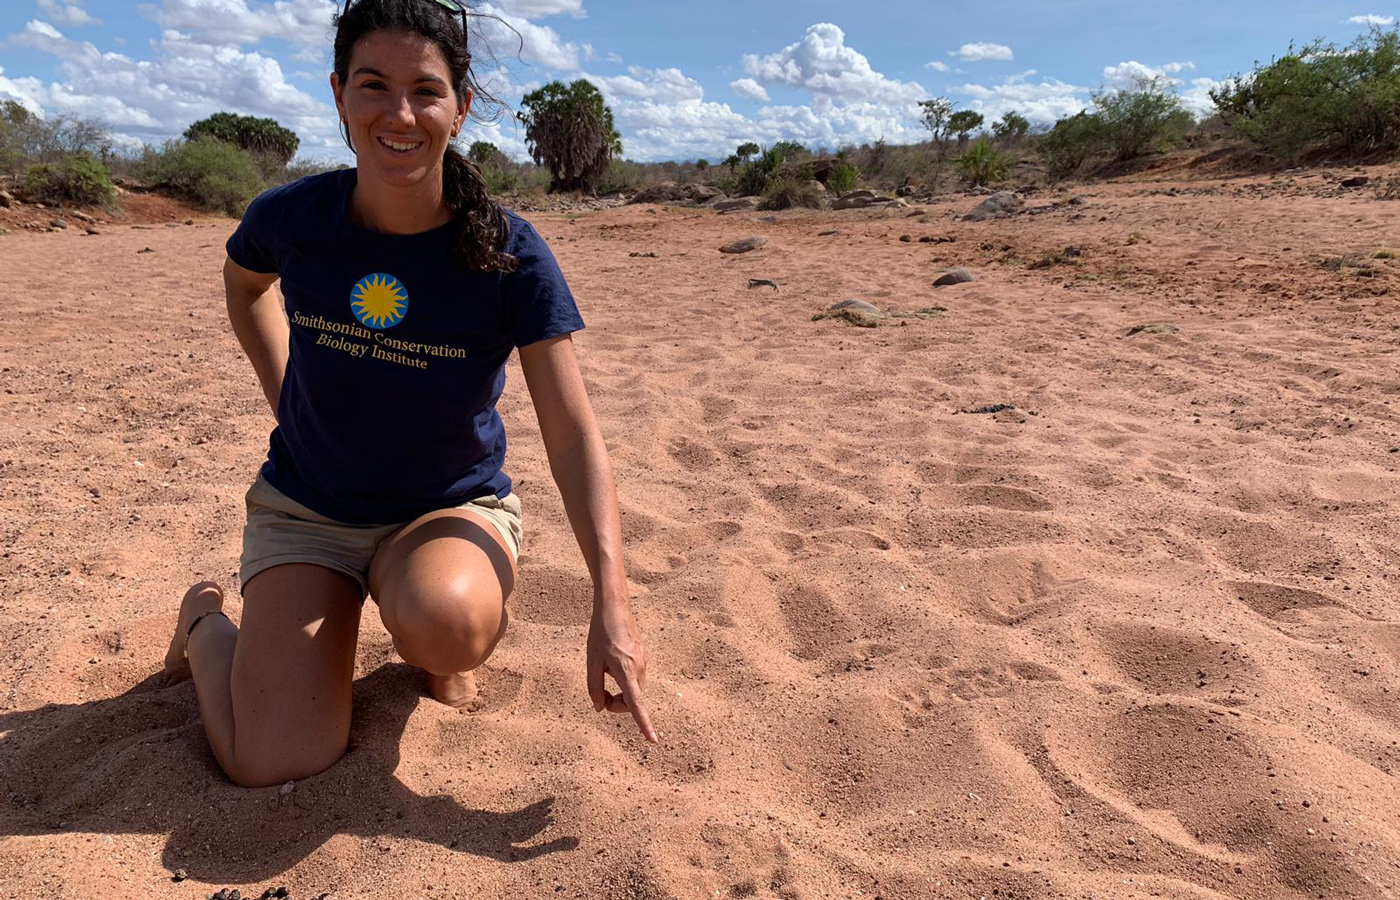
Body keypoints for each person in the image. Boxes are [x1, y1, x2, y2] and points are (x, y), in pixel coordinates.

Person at [161, 0, 656, 788]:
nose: (399, 113)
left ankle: (429, 640)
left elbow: (571, 434)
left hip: (444, 510)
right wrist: (283, 391)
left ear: (459, 107)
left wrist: (612, 603)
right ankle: (203, 620)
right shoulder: (292, 218)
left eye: (425, 90)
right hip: (308, 512)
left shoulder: (510, 253)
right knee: (272, 760)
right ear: (337, 95)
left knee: (449, 626)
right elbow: (245, 282)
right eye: (372, 85)